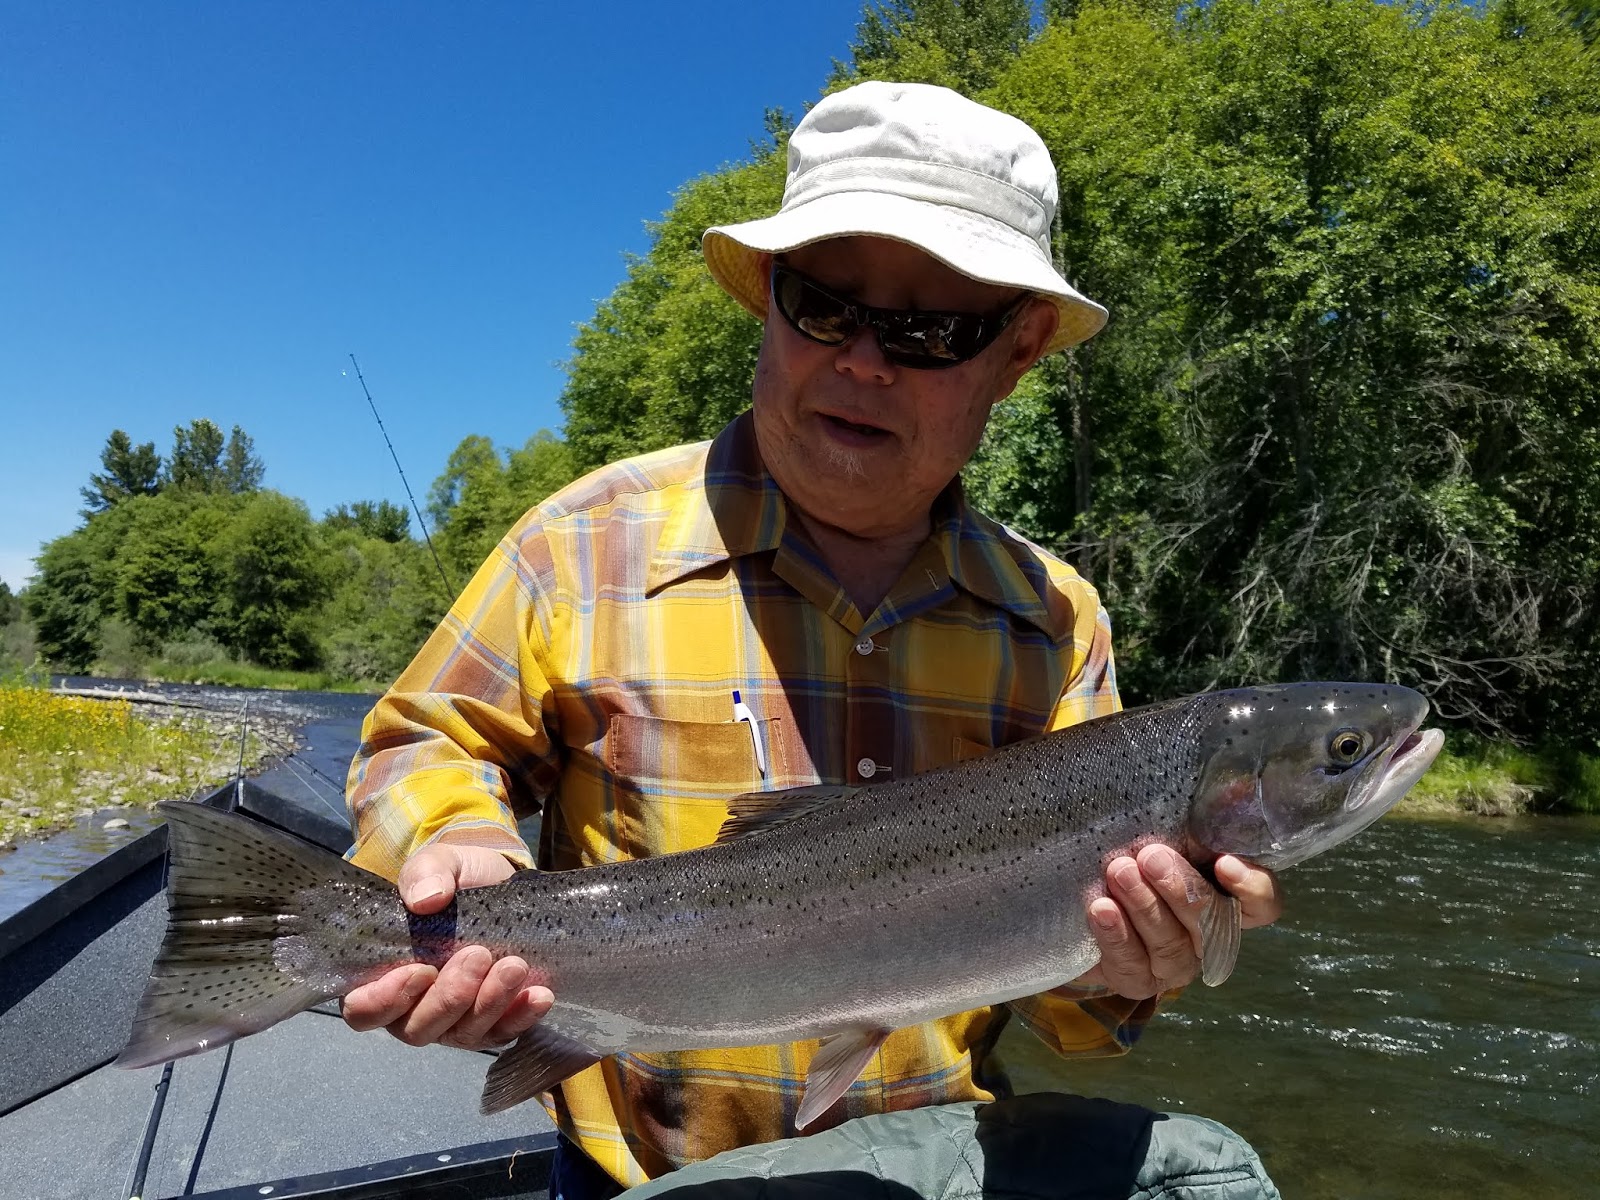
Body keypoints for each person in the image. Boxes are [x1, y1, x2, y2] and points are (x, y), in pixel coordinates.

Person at [340, 81, 1283, 1195]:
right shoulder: (581, 547)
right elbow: (424, 742)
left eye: (930, 330)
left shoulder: (1055, 621)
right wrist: (452, 838)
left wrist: (1140, 965)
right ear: (769, 302)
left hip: (939, 1172)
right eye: (826, 307)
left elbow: (1079, 1017)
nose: (864, 363)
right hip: (633, 1179)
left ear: (1019, 350)